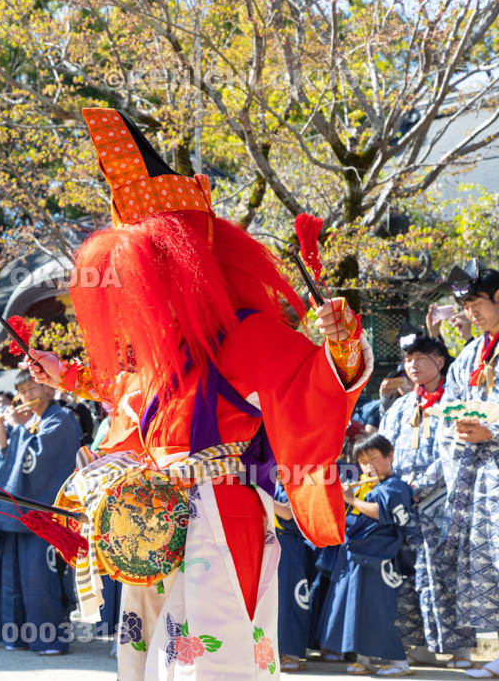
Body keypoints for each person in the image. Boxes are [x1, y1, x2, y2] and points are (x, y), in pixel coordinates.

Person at [22, 108, 372, 679]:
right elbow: (133, 400)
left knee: (212, 659)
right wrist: (71, 378)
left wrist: (343, 347)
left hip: (221, 509)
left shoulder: (246, 334)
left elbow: (315, 382)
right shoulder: (159, 357)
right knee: (147, 658)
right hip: (153, 523)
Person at [379, 331, 475, 667]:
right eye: (408, 359)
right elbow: (382, 450)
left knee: (444, 578)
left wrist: (418, 487)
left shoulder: (456, 403)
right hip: (402, 507)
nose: (413, 365)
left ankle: (458, 650)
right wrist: (392, 488)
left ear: (440, 360)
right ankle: (416, 645)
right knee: (405, 577)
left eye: (421, 357)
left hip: (442, 506)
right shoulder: (402, 406)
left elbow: (458, 451)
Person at [433, 264, 499, 680]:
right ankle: (492, 655)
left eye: (476, 302)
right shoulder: (473, 354)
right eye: (465, 305)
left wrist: (492, 429)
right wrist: (456, 423)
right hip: (476, 479)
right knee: (482, 568)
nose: (470, 312)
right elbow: (451, 404)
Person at [0, 370, 81, 655]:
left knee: (39, 576)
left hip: (46, 512)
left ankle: (49, 639)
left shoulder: (60, 419)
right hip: (22, 512)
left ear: (50, 390)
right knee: (14, 576)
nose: (28, 395)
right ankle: (18, 636)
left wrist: (17, 431)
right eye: (23, 391)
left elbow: (39, 464)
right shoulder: (33, 422)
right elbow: (8, 465)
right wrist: (4, 439)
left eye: (32, 388)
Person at [318, 435, 414, 676]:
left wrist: (351, 499)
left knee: (379, 611)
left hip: (378, 559)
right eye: (362, 462)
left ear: (390, 456)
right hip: (355, 558)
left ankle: (398, 662)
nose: (368, 467)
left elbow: (384, 512)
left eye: (373, 459)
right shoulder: (365, 487)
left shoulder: (396, 486)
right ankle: (362, 659)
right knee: (355, 611)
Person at [272, 480, 316, 672]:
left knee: (290, 599)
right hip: (266, 542)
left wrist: (258, 492)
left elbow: (288, 513)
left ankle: (292, 653)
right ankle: (272, 651)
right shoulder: (268, 485)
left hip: (289, 545)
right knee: (270, 602)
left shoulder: (298, 485)